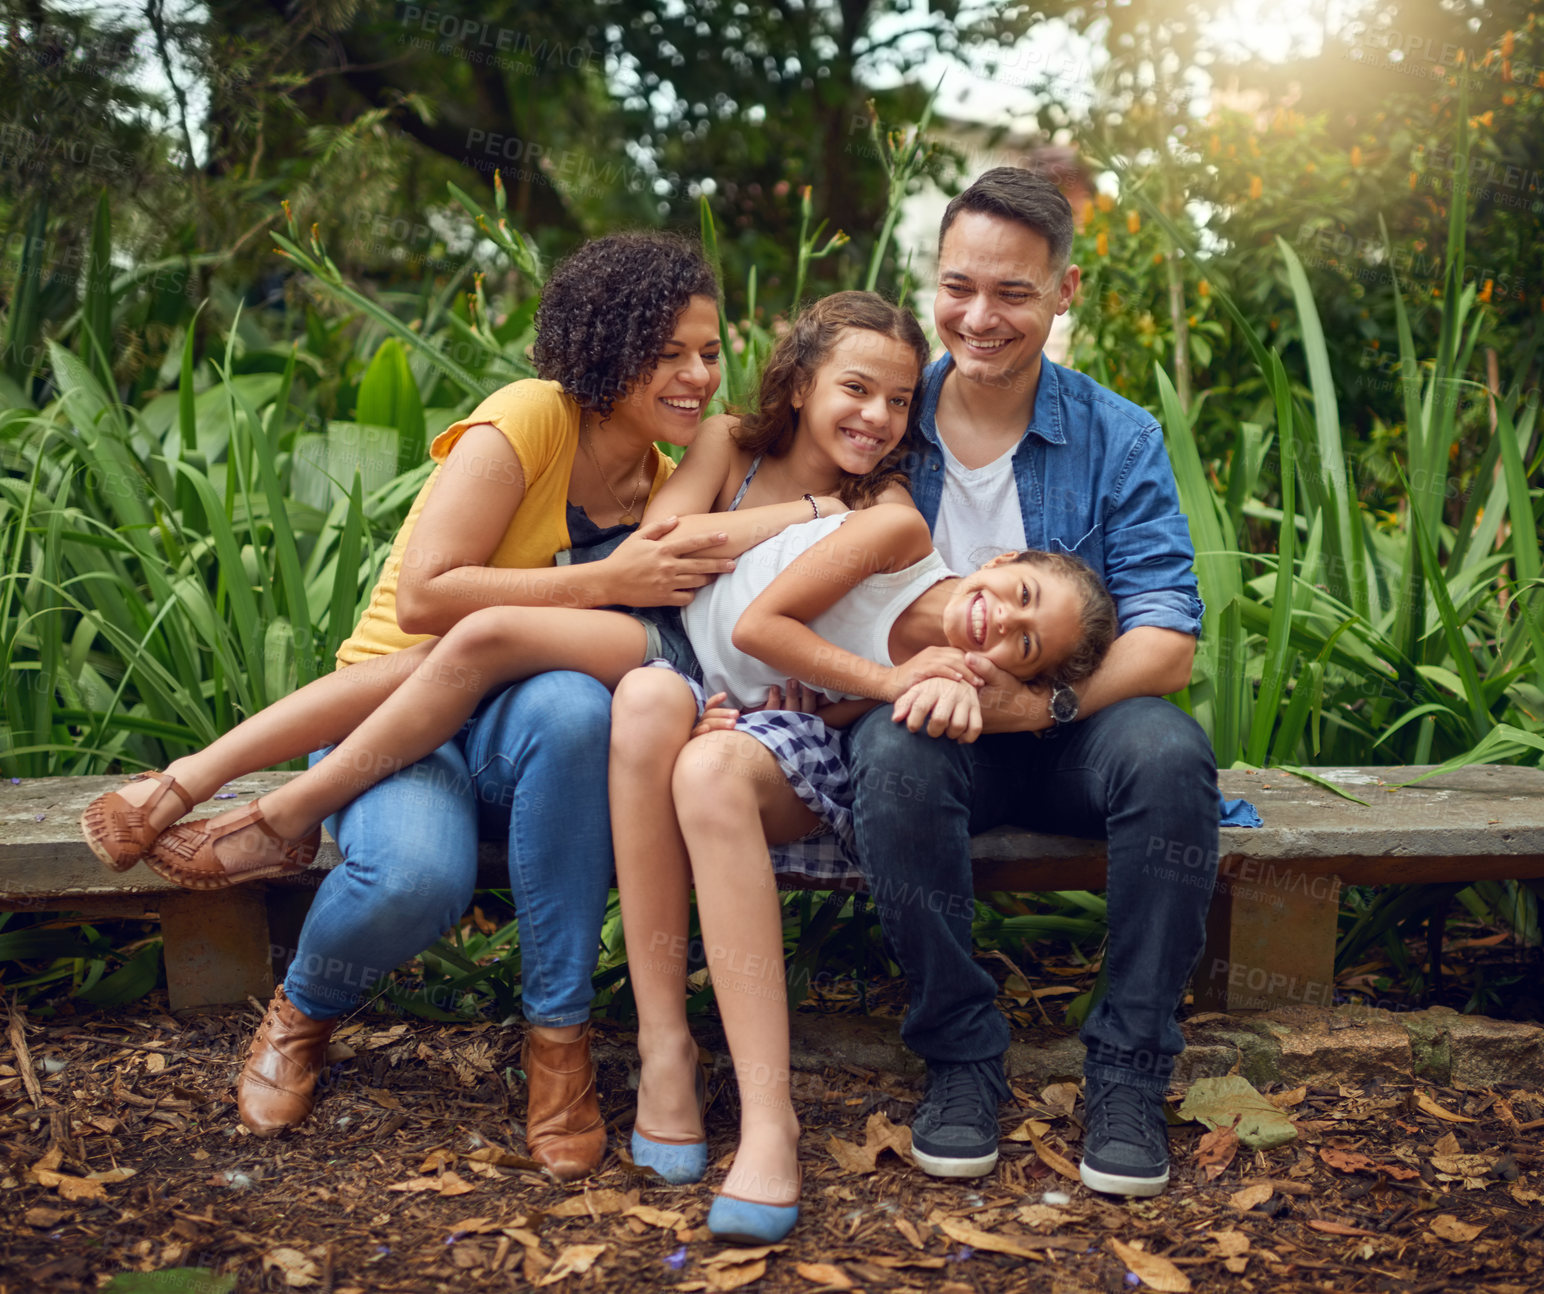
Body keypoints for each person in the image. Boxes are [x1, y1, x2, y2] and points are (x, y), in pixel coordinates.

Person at [75, 284, 920, 1175]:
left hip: (672, 663)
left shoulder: (839, 487)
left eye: (708, 355)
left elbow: (790, 599)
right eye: (672, 353)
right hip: (443, 688)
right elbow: (665, 542)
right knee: (466, 653)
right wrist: (814, 513)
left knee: (546, 687)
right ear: (796, 384)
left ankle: (554, 1044)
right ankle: (259, 847)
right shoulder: (624, 432)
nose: (698, 376)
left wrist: (804, 668)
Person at [843, 166, 1218, 1199]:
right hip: (927, 726)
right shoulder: (880, 419)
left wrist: (1040, 703)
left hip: (1067, 737)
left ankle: (1130, 1069)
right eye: (959, 285)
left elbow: (1165, 640)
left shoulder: (1117, 436)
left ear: (1064, 293)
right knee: (888, 749)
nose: (978, 316)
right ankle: (961, 1056)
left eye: (1012, 292)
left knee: (1167, 749)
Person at [618, 504, 1116, 1244]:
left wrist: (882, 695)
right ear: (1000, 561)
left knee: (709, 769)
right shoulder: (898, 537)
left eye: (1024, 644)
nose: (1005, 623)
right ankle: (668, 1055)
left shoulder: (967, 669)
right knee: (684, 741)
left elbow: (837, 709)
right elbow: (763, 630)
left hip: (800, 738)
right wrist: (887, 683)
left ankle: (768, 1121)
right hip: (728, 681)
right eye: (1022, 597)